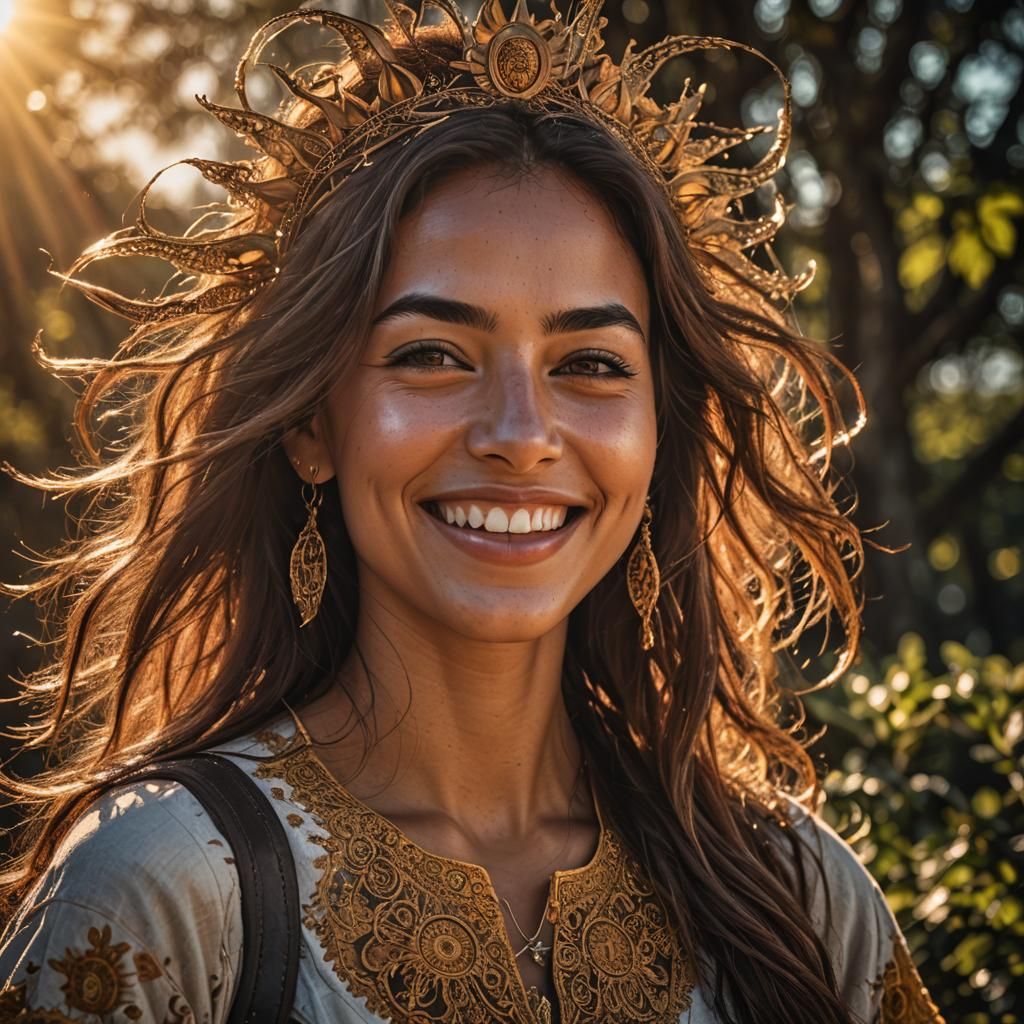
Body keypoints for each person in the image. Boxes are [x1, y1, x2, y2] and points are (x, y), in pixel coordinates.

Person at [0, 2, 944, 1022]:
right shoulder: (166, 884)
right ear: (312, 424)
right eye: (432, 354)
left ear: (657, 435)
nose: (519, 432)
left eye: (589, 364)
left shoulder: (799, 895)